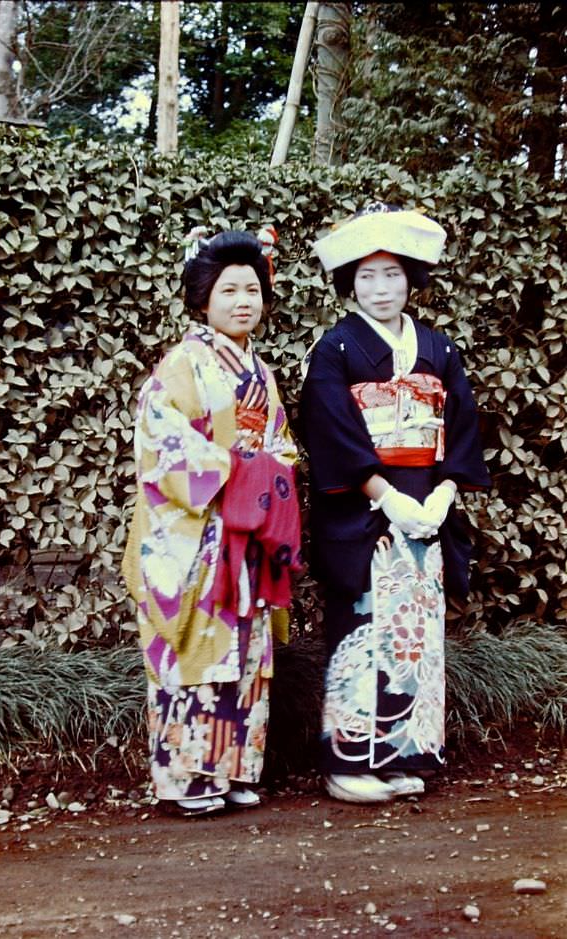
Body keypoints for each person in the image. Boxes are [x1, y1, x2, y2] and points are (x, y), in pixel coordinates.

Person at [300, 203, 490, 803]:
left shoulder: (439, 349)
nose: (381, 288)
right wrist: (384, 496)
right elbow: (330, 429)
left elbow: (459, 428)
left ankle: (402, 756)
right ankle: (349, 763)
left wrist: (444, 492)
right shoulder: (334, 350)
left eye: (392, 275)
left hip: (426, 505)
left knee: (416, 632)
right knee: (363, 630)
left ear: (412, 279)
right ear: (348, 284)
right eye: (367, 276)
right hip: (365, 512)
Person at [123, 228, 301, 817]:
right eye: (229, 290)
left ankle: (235, 768)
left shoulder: (262, 373)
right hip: (196, 535)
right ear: (203, 298)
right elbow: (162, 446)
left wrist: (263, 474)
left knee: (245, 651)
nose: (243, 301)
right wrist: (240, 472)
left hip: (246, 533)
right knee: (197, 647)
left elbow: (281, 447)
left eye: (252, 289)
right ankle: (187, 777)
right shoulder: (181, 365)